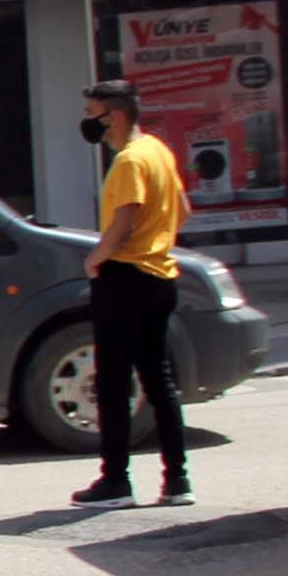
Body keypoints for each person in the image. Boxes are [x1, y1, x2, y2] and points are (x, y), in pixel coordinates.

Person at [75, 79, 191, 510]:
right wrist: (156, 241)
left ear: (114, 116)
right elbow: (182, 207)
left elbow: (123, 224)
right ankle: (178, 479)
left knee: (113, 382)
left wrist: (95, 259)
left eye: (92, 115)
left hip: (124, 279)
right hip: (161, 276)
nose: (88, 123)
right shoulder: (159, 151)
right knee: (159, 379)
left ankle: (115, 481)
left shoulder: (128, 161)